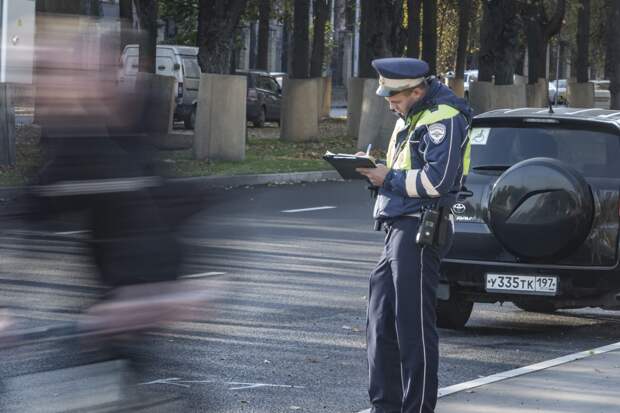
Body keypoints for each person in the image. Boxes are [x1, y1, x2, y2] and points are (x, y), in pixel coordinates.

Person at [356, 57, 472, 413]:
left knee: (413, 328)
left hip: (421, 228)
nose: (389, 102)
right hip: (398, 227)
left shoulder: (445, 117)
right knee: (380, 319)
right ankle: (385, 406)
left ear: (417, 90)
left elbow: (436, 182)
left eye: (395, 96)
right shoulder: (413, 115)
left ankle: (417, 408)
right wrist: (373, 170)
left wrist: (385, 177)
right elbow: (405, 170)